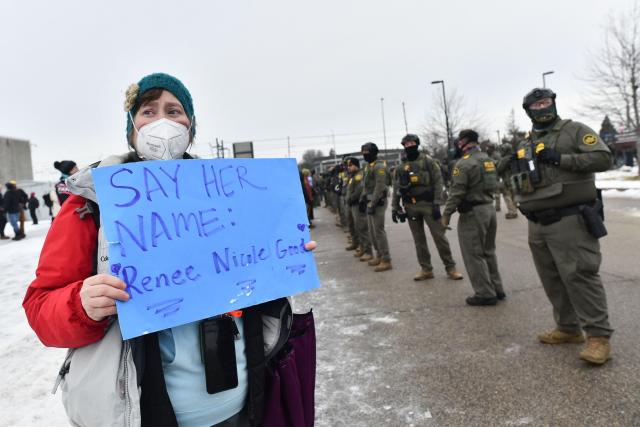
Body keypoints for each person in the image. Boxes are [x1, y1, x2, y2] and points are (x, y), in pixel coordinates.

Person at [23, 72, 317, 426]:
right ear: (131, 126)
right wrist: (82, 304)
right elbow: (41, 308)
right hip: (144, 411)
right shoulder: (92, 202)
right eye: (148, 111)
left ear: (191, 125)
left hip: (240, 405)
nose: (162, 122)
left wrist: (283, 257)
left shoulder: (230, 194)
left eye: (174, 111)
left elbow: (248, 283)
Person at [512, 88, 613, 365]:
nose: (542, 107)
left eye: (546, 102)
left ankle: (598, 337)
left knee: (580, 275)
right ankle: (568, 328)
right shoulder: (527, 141)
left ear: (554, 104)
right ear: (529, 111)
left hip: (570, 218)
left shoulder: (574, 131)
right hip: (537, 220)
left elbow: (604, 158)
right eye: (537, 104)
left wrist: (561, 158)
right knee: (552, 278)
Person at [442, 130, 505, 306]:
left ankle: (485, 293)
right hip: (488, 209)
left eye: (459, 141)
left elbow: (456, 192)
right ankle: (497, 288)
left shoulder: (464, 164)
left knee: (473, 254)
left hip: (473, 213)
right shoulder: (487, 160)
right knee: (488, 251)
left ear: (464, 142)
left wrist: (446, 214)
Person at [392, 134, 463, 281]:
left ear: (417, 144)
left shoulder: (428, 161)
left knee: (439, 237)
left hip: (429, 205)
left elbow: (438, 182)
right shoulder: (400, 167)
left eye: (412, 143)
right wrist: (395, 207)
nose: (409, 146)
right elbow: (396, 188)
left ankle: (450, 267)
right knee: (419, 240)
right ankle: (426, 269)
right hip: (410, 206)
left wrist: (437, 203)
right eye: (406, 144)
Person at [359, 142, 392, 272]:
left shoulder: (379, 167)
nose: (365, 154)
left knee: (378, 231)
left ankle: (386, 259)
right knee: (372, 232)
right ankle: (379, 255)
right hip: (369, 201)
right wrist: (363, 198)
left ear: (374, 152)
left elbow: (380, 186)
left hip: (378, 202)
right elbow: (366, 186)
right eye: (363, 151)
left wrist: (372, 203)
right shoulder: (368, 166)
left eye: (367, 151)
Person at [344, 157, 372, 259]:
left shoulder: (359, 175)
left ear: (356, 165)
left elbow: (359, 190)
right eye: (348, 165)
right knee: (356, 227)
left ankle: (368, 251)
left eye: (350, 165)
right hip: (352, 204)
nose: (349, 167)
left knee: (362, 228)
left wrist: (350, 198)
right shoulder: (352, 176)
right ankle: (362, 247)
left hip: (357, 204)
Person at [495, 141, 518, 219]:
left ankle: (512, 212)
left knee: (507, 195)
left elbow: (499, 169)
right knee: (514, 195)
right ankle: (515, 210)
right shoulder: (515, 156)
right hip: (515, 179)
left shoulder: (505, 159)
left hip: (507, 179)